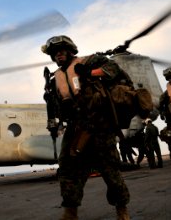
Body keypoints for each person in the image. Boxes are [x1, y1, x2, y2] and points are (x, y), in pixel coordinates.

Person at [41, 35, 130, 220]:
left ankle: (122, 209)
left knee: (110, 170)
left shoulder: (89, 62)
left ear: (70, 50)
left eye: (61, 51)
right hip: (75, 129)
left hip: (99, 126)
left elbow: (113, 68)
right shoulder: (55, 78)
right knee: (67, 170)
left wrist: (91, 73)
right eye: (54, 54)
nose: (58, 55)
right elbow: (56, 106)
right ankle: (70, 212)